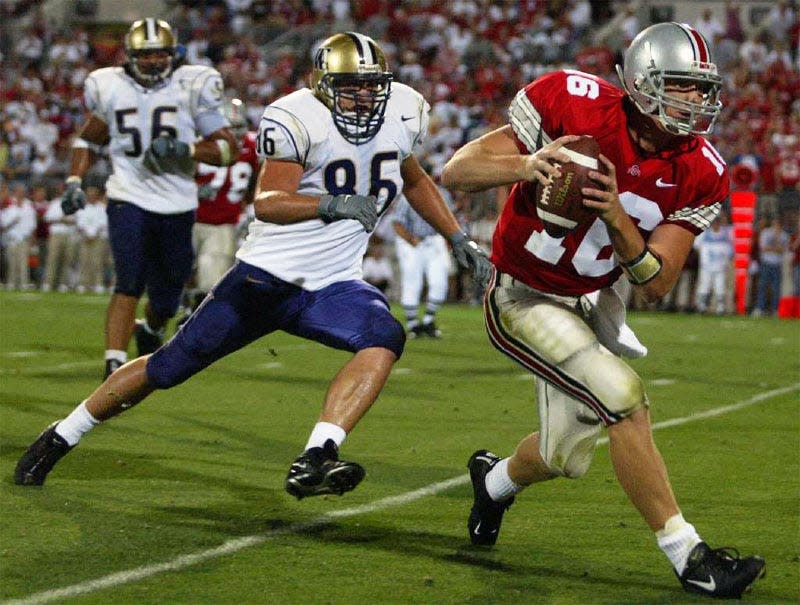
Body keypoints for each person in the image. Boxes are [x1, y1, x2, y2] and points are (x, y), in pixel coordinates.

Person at [14, 32, 490, 501]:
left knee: (385, 336)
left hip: (333, 283)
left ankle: (318, 455)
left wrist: (456, 236)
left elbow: (412, 176)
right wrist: (331, 204)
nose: (365, 96)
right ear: (323, 84)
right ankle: (61, 435)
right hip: (263, 279)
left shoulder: (402, 111)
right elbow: (268, 202)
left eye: (373, 85)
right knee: (166, 369)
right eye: (352, 86)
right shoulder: (296, 117)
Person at [441, 22, 765, 599]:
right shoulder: (574, 103)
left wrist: (617, 216)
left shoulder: (703, 170)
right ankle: (689, 555)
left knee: (563, 454)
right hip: (523, 293)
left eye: (702, 88)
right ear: (641, 84)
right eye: (682, 86)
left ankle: (492, 484)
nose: (697, 101)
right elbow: (456, 171)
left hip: (596, 302)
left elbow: (656, 283)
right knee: (622, 396)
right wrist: (528, 164)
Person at [56, 18, 238, 379]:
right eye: (146, 54)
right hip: (128, 196)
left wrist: (184, 148)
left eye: (160, 54)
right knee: (129, 278)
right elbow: (88, 139)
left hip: (178, 203)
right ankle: (113, 363)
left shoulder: (191, 87)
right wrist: (75, 180)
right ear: (131, 56)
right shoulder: (111, 87)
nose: (154, 61)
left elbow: (227, 149)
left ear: (172, 55)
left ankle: (152, 328)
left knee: (168, 296)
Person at [181, 97, 259, 318]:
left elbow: (258, 184)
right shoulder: (200, 144)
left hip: (223, 224)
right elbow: (176, 180)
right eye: (229, 128)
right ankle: (170, 317)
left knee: (209, 283)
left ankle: (191, 321)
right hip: (187, 218)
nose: (235, 134)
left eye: (239, 127)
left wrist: (250, 211)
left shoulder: (254, 148)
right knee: (176, 277)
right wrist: (192, 190)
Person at [392, 194, 451, 337]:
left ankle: (428, 320)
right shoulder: (407, 198)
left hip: (434, 240)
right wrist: (410, 240)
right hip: (413, 243)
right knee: (412, 283)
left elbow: (448, 219)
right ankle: (412, 324)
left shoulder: (442, 194)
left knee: (439, 283)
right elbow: (397, 223)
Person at [693, 214, 734, 314]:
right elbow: (696, 246)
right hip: (707, 266)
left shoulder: (725, 234)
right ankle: (702, 306)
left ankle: (720, 307)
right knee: (704, 285)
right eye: (714, 222)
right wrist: (704, 259)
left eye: (717, 222)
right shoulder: (705, 234)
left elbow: (730, 250)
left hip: (721, 266)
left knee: (720, 286)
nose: (715, 224)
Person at [752, 216, 789, 317]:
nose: (776, 226)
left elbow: (783, 250)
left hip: (777, 264)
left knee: (776, 288)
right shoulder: (766, 233)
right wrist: (776, 248)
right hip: (766, 263)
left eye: (778, 225)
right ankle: (760, 308)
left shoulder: (784, 235)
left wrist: (776, 241)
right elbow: (763, 248)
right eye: (775, 224)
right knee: (762, 286)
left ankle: (775, 309)